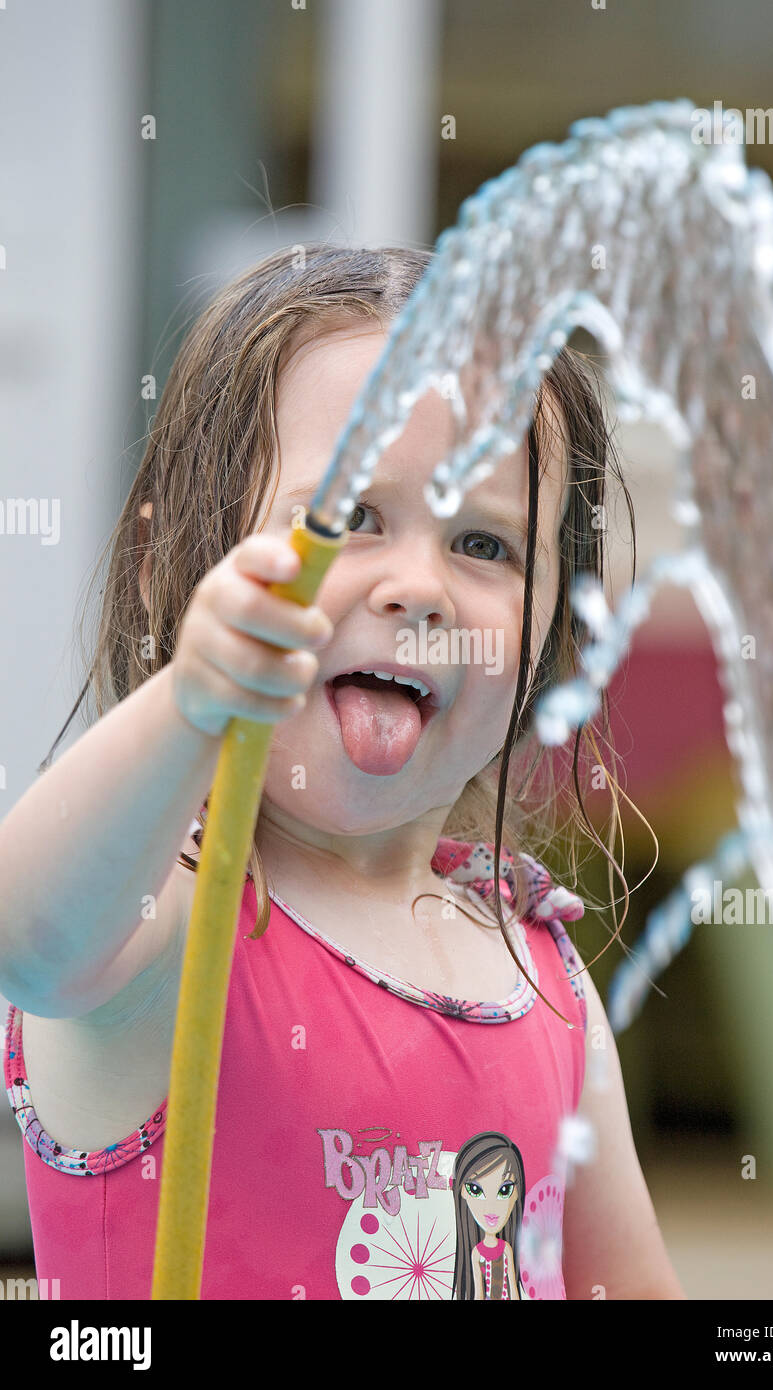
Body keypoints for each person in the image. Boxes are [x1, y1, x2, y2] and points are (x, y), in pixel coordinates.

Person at [0, 244, 684, 1300]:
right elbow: (27, 939)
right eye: (350, 518)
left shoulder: (539, 974)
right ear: (164, 573)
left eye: (485, 546)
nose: (420, 587)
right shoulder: (172, 919)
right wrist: (191, 696)